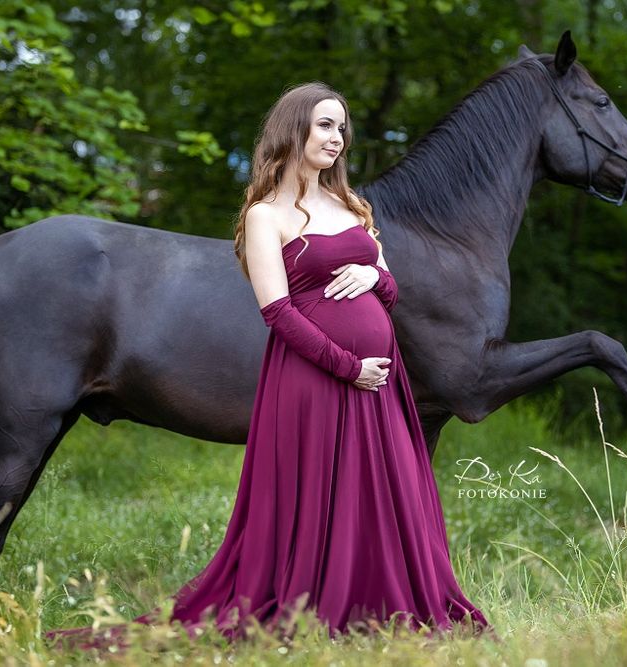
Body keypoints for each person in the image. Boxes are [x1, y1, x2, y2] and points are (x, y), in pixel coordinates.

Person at [45, 81, 491, 651]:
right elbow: (277, 311)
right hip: (316, 377)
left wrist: (376, 279)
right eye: (325, 125)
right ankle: (309, 610)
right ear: (293, 129)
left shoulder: (352, 207)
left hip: (374, 380)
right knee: (317, 495)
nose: (337, 137)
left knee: (374, 494)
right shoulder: (265, 215)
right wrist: (345, 365)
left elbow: (389, 287)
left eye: (341, 126)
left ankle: (373, 607)